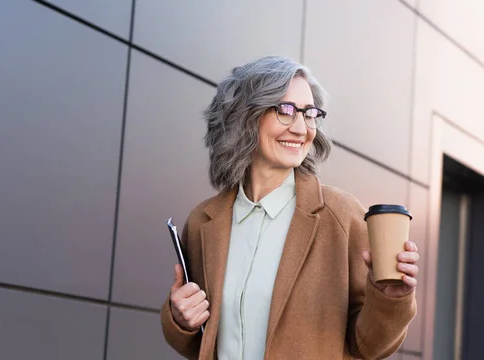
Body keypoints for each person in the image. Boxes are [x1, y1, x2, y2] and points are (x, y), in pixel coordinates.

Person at [160, 56, 418, 360]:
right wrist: (180, 319)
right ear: (244, 116)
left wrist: (389, 300)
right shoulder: (204, 221)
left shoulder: (342, 217)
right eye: (285, 110)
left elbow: (369, 347)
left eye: (309, 114)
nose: (301, 128)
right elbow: (202, 342)